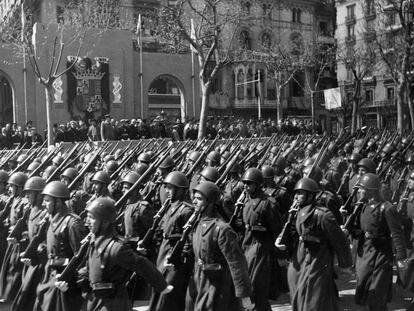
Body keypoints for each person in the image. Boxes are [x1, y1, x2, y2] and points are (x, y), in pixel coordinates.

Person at [55, 197, 173, 311]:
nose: (87, 222)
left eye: (91, 218)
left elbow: (141, 264)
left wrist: (161, 285)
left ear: (105, 222)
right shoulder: (94, 241)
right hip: (93, 302)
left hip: (113, 304)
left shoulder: (116, 248)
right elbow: (89, 269)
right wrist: (69, 281)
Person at [277, 177, 352, 311]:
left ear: (310, 195)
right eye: (296, 193)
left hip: (318, 257)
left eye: (301, 193)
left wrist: (345, 264)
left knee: (313, 297)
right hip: (300, 256)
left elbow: (340, 241)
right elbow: (292, 234)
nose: (297, 196)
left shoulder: (323, 215)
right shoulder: (296, 212)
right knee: (297, 289)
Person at [190, 181, 253, 311]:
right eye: (194, 198)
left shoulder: (222, 229)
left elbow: (236, 262)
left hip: (219, 286)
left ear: (211, 202)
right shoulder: (198, 224)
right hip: (201, 281)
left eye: (199, 199)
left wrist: (243, 294)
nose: (194, 202)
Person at [140, 171, 194, 311]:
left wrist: (179, 257)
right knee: (158, 286)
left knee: (169, 293)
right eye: (167, 187)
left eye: (171, 188)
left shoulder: (187, 210)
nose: (167, 191)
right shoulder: (169, 206)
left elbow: (188, 239)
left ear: (181, 190)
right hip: (163, 250)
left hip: (174, 254)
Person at [353, 173, 407, 311]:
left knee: (377, 291)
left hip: (381, 254)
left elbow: (396, 233)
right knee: (364, 286)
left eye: (362, 188)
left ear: (370, 190)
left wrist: (400, 257)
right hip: (365, 253)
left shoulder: (387, 208)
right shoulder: (362, 206)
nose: (359, 190)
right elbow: (359, 228)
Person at [33, 181, 88, 311]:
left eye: (47, 201)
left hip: (65, 283)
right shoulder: (52, 219)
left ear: (57, 202)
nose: (43, 204)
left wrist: (71, 281)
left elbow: (81, 257)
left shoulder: (73, 223)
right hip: (50, 276)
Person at [240, 168, 281, 311]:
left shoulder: (268, 203)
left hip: (262, 249)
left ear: (258, 184)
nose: (246, 186)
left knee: (257, 288)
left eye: (249, 183)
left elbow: (277, 229)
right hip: (247, 246)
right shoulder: (245, 201)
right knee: (247, 287)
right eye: (244, 183)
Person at [11, 177, 47, 311]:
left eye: (30, 193)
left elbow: (45, 239)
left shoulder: (45, 213)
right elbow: (28, 230)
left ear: (38, 195)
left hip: (40, 261)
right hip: (29, 257)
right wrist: (23, 237)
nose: (27, 196)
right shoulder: (30, 210)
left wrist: (35, 252)